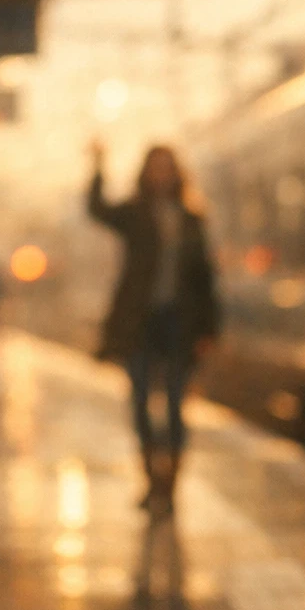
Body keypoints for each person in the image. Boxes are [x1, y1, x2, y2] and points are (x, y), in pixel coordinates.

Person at [87, 141, 219, 509]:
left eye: (167, 167)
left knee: (176, 403)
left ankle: (170, 485)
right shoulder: (133, 214)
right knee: (141, 400)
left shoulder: (192, 220)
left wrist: (209, 330)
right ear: (146, 173)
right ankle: (151, 478)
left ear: (176, 173)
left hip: (180, 323)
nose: (161, 174)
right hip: (141, 324)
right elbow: (97, 210)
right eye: (155, 167)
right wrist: (98, 166)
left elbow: (205, 278)